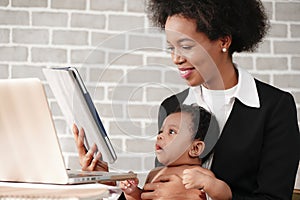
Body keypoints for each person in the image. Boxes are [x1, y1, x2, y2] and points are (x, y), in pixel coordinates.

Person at [73, 0, 300, 199]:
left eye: (186, 46)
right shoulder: (172, 107)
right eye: (171, 48)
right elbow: (159, 190)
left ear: (223, 41)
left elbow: (274, 197)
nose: (176, 58)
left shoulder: (275, 107)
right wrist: (110, 182)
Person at [119, 105, 230, 200]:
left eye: (171, 131)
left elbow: (226, 195)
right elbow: (145, 197)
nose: (160, 136)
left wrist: (207, 182)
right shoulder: (154, 173)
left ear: (195, 148)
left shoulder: (197, 173)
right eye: (160, 131)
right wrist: (132, 192)